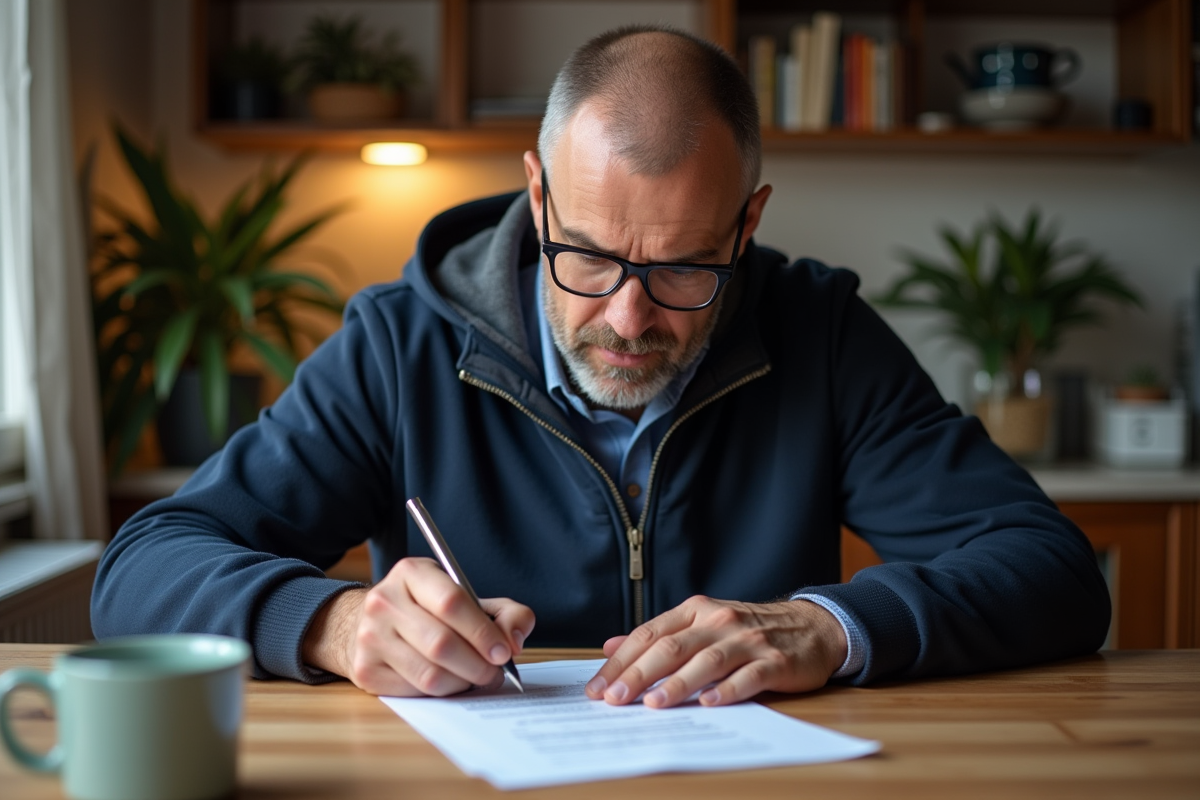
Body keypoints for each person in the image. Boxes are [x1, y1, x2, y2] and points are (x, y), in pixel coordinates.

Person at [92, 26, 1110, 708]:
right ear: (537, 197)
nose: (628, 316)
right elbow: (142, 567)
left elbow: (1051, 567)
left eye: (683, 267)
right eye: (586, 257)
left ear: (748, 222)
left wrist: (833, 626)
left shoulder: (822, 334)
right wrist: (331, 618)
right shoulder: (400, 345)